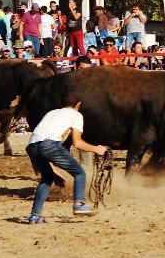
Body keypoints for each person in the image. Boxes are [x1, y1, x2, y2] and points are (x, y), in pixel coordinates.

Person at [25, 90, 107, 224]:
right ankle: (79, 204)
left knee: (46, 179)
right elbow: (77, 142)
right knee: (79, 173)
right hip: (49, 145)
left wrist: (53, 169)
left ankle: (35, 216)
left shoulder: (51, 113)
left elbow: (39, 141)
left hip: (31, 147)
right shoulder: (76, 115)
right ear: (78, 104)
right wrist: (96, 149)